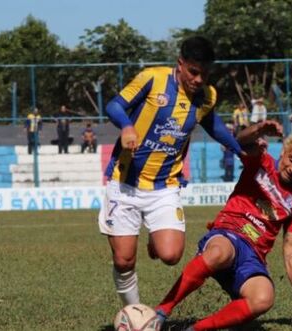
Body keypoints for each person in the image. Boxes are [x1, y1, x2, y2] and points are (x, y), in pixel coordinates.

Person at [98, 36, 243, 306]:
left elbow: (214, 126)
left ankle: (156, 238)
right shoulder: (152, 79)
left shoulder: (207, 96)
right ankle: (135, 312)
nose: (199, 79)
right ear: (180, 64)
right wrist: (127, 126)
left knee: (171, 255)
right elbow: (114, 105)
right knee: (123, 259)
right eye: (193, 72)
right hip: (125, 182)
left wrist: (240, 150)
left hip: (164, 186)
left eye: (205, 74)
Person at [155, 121, 292, 331]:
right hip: (228, 234)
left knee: (264, 298)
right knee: (219, 252)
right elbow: (239, 141)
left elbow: (291, 245)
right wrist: (259, 129)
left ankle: (195, 329)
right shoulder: (261, 161)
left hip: (253, 256)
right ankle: (161, 312)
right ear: (283, 151)